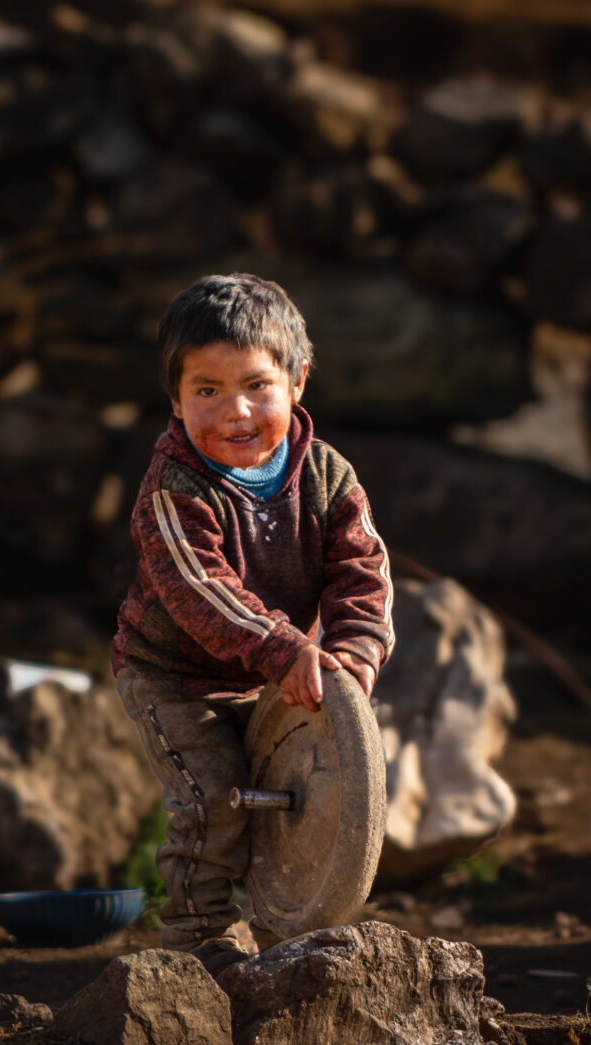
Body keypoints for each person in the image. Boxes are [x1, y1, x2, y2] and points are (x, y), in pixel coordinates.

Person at [113, 273, 394, 973]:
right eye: (206, 390)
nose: (234, 411)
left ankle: (282, 930)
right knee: (216, 800)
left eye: (256, 386)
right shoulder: (174, 491)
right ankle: (195, 943)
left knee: (298, 795)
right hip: (176, 676)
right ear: (175, 401)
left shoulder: (328, 477)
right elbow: (203, 590)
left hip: (272, 673)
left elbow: (362, 572)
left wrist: (355, 652)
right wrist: (283, 645)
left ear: (297, 382)